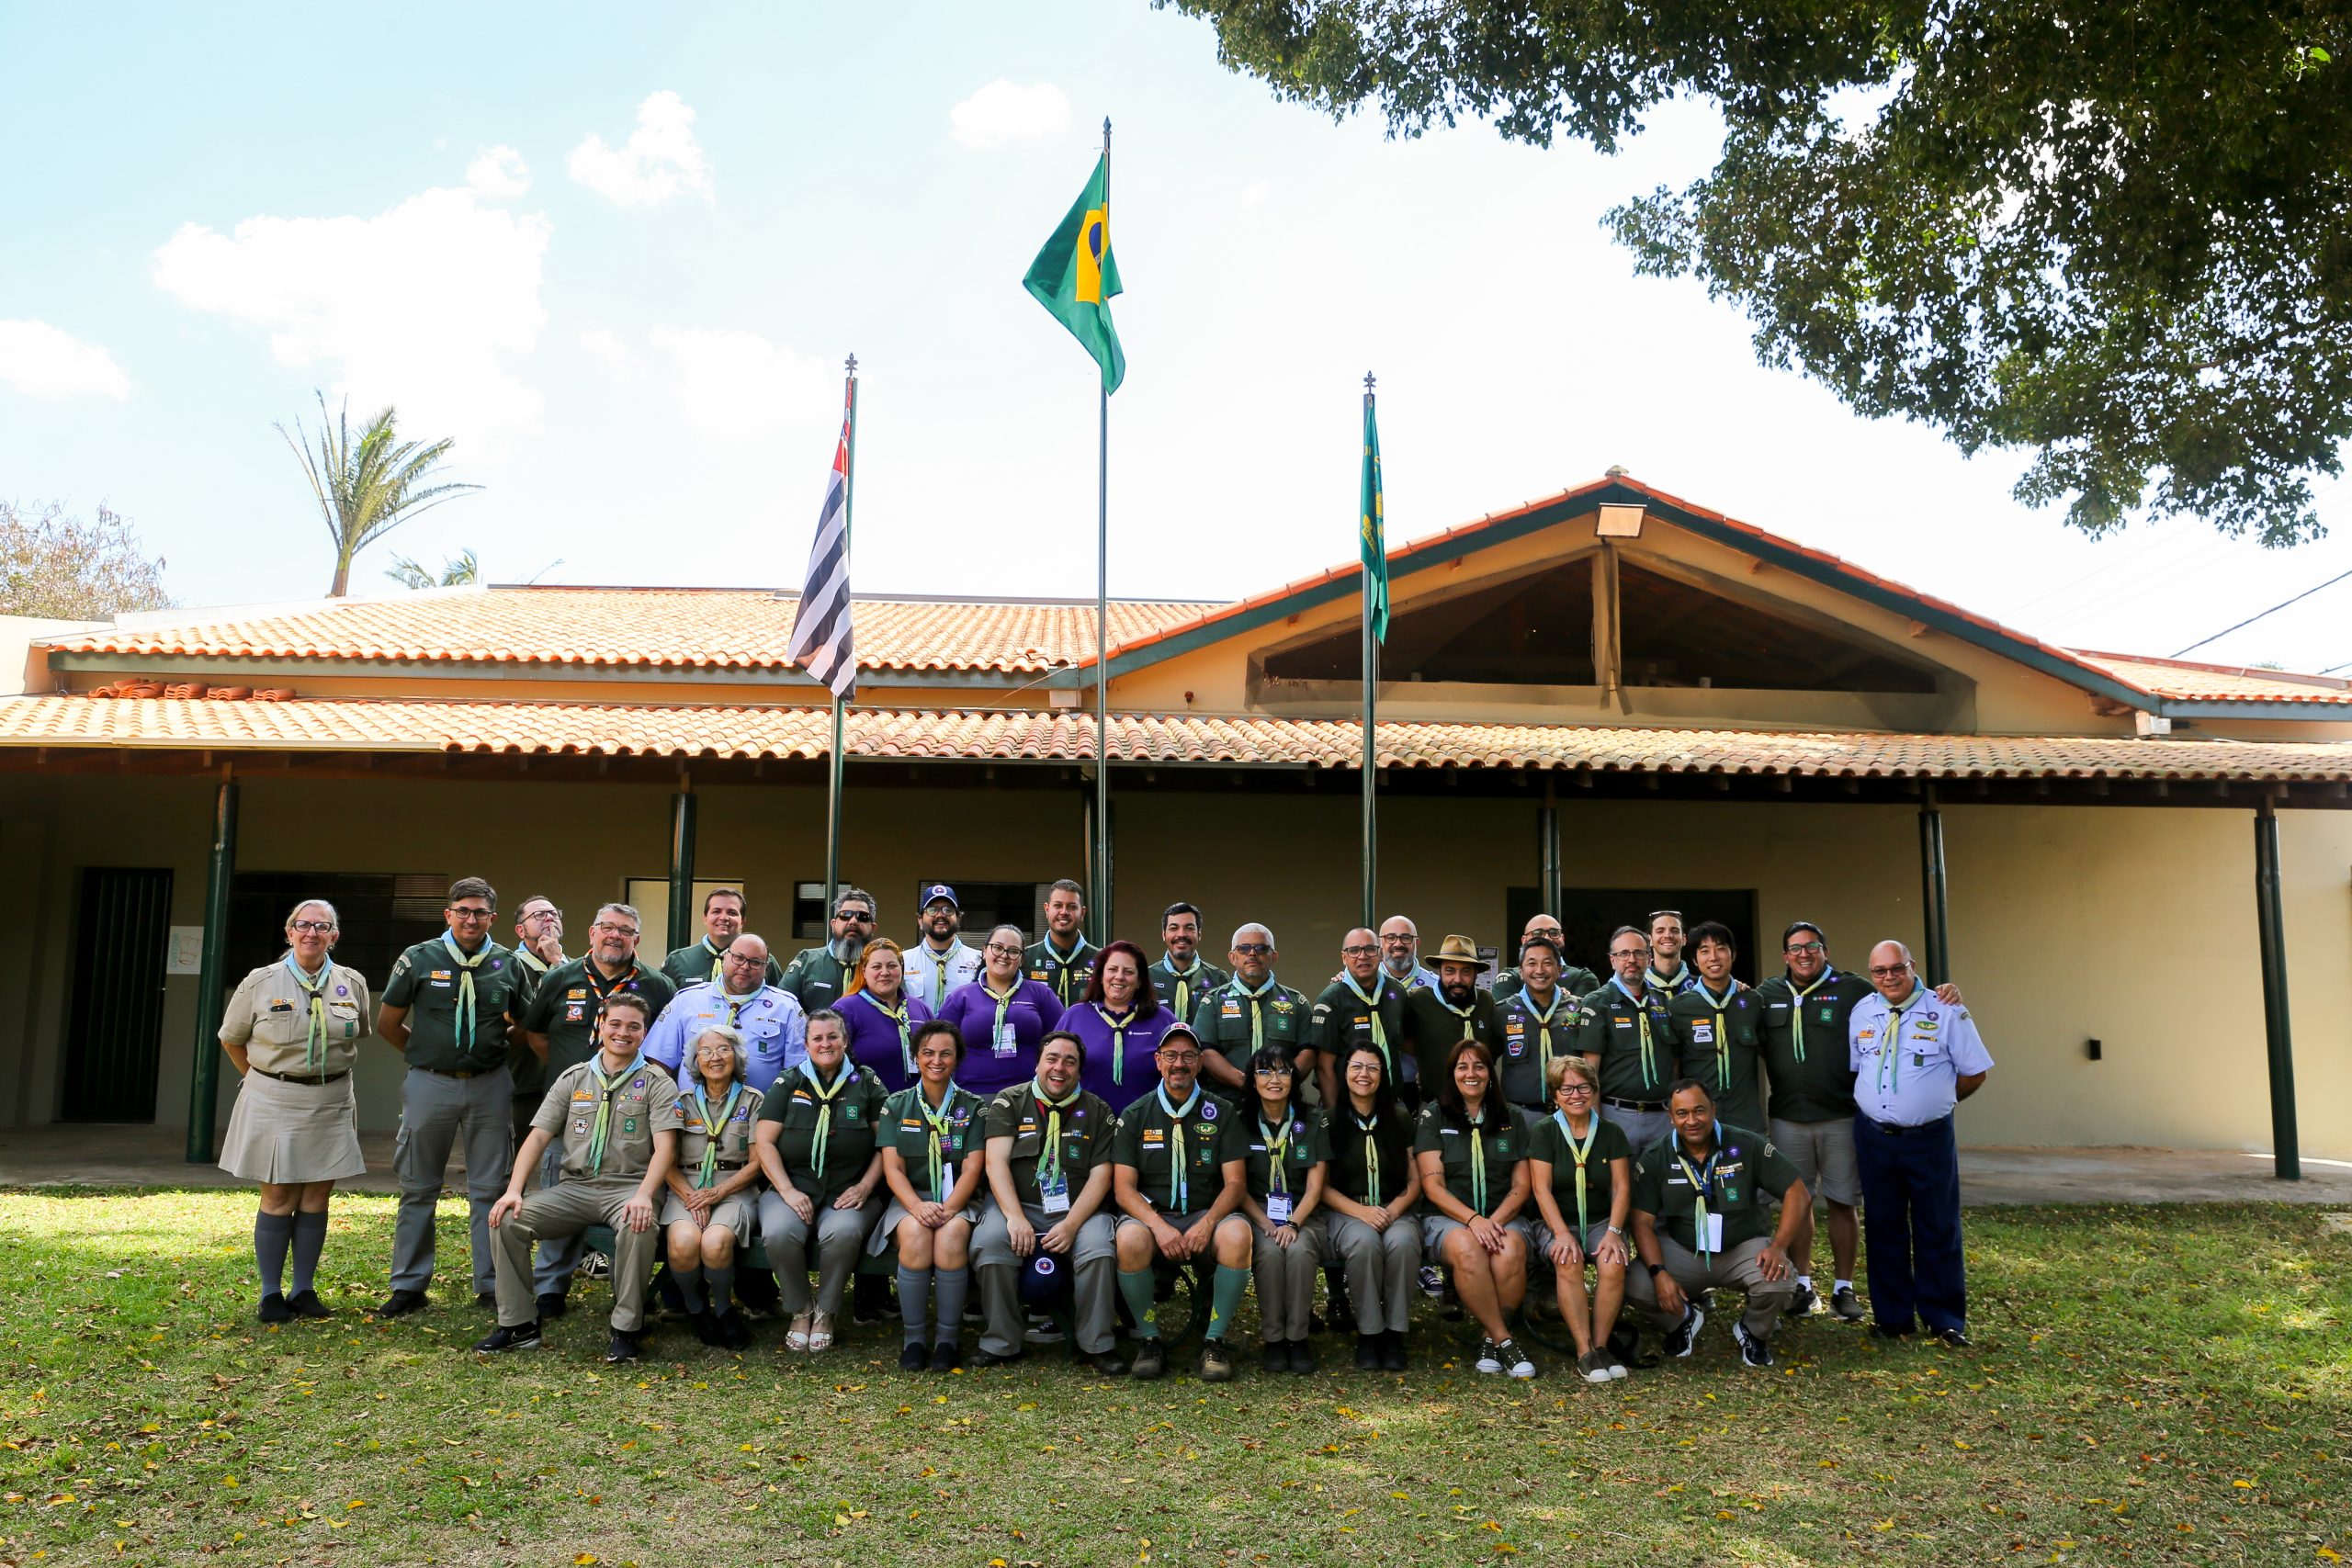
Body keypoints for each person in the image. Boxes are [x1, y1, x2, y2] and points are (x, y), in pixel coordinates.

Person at [1757, 922, 1966, 1323]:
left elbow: (1901, 998)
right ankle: (1803, 1285)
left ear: (1825, 950)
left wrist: (1945, 992)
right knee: (1796, 1203)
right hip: (1787, 1117)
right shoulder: (1767, 995)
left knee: (1843, 1201)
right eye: (1795, 948)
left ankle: (1843, 1287)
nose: (1804, 954)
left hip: (1840, 1116)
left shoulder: (1856, 989)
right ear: (1784, 955)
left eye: (1813, 946)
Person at [475, 991, 680, 1361]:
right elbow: (538, 1136)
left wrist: (645, 1196)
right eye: (615, 1024)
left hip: (629, 1187)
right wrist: (514, 1190)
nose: (623, 1032)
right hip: (577, 1187)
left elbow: (666, 1148)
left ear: (644, 1033)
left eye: (633, 1027)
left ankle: (626, 1327)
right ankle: (519, 1324)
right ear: (601, 1025)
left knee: (638, 1225)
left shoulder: (657, 1082)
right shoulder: (575, 1077)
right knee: (506, 1220)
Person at [215, 898, 371, 1324]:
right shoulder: (260, 982)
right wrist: (259, 1080)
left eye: (322, 927)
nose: (311, 933)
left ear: (334, 936)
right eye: (302, 925)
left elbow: (356, 1036)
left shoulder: (351, 982)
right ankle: (270, 1293)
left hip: (331, 1099)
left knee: (318, 1195)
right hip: (274, 1097)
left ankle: (304, 1289)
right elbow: (231, 1039)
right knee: (279, 1193)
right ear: (289, 933)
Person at [518, 903, 677, 1318]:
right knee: (561, 1190)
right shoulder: (560, 978)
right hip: (574, 1108)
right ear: (591, 932)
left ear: (636, 940)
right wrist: (577, 1075)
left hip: (632, 1112)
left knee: (628, 1209)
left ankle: (630, 1298)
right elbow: (536, 1034)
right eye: (607, 927)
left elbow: (668, 1045)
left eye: (624, 930)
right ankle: (551, 1288)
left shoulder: (657, 985)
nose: (614, 935)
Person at [376, 877, 523, 1317]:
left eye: (480, 912)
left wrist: (489, 1051)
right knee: (418, 1186)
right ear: (448, 915)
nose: (471, 919)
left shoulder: (506, 963)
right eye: (463, 911)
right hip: (430, 1084)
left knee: (491, 1188)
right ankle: (408, 1284)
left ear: (493, 918)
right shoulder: (419, 958)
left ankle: (492, 1284)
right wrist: (427, 1057)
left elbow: (523, 1023)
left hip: (489, 1085)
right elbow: (387, 1023)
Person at [1849, 940, 1993, 1348]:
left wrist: (1937, 1103)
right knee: (1883, 1225)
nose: (1889, 977)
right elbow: (1859, 1067)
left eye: (1897, 968)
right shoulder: (1863, 1011)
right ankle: (1893, 1319)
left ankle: (1944, 1318)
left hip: (1928, 1138)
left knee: (1937, 1225)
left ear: (1911, 966)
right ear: (1871, 974)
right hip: (1875, 1137)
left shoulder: (1945, 1010)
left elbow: (1975, 1072)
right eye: (1880, 971)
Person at [1624, 1079, 1809, 1370]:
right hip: (1684, 1250)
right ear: (1671, 1117)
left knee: (1779, 1280)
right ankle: (1681, 1320)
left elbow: (1797, 1192)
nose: (1692, 1120)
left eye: (1699, 1111)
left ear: (1713, 1109)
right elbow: (1642, 1222)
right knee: (1634, 1283)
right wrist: (1659, 1273)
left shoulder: (1746, 1144)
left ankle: (1754, 1331)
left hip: (1742, 1248)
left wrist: (1778, 1246)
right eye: (1682, 1113)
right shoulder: (1657, 1156)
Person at [971, 1032, 1125, 1372]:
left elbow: (1101, 1175)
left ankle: (1095, 1343)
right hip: (1018, 1205)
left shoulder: (1098, 1110)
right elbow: (995, 1163)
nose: (1060, 1068)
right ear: (1038, 1063)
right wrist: (1013, 1217)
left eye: (1070, 1061)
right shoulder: (1009, 1102)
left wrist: (1071, 1225)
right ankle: (1002, 1340)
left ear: (1080, 1070)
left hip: (1078, 1211)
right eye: (1052, 1059)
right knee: (990, 1242)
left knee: (1099, 1248)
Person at [1110, 1024, 1252, 1382]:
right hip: (1152, 1215)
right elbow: (1123, 1189)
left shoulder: (1222, 1112)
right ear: (1158, 1061)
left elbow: (1236, 1184)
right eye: (1171, 1055)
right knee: (1129, 1239)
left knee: (1237, 1235)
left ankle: (1214, 1341)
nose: (1179, 1063)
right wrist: (1159, 1226)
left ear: (1201, 1063)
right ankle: (1149, 1340)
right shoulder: (1136, 1113)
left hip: (1205, 1213)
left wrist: (1207, 1224)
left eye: (1188, 1056)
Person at [752, 1009, 888, 1353]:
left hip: (849, 1190)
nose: (825, 1044)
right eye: (817, 1038)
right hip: (792, 1187)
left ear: (845, 1040)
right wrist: (786, 1190)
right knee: (779, 1233)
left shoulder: (867, 1082)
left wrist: (866, 1187)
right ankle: (800, 1309)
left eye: (832, 1037)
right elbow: (764, 1141)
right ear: (806, 1043)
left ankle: (826, 1311)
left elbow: (887, 1145)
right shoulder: (788, 1082)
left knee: (841, 1232)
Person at [1414, 1039, 1537, 1379]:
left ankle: (1488, 1339)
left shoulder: (1512, 1117)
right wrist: (1473, 1220)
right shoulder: (1433, 1116)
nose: (1471, 1073)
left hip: (1503, 1216)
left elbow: (1521, 1185)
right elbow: (1432, 1186)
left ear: (1490, 1074)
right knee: (1468, 1248)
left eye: (1479, 1066)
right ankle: (1505, 1340)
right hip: (1449, 1218)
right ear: (1452, 1074)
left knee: (1509, 1248)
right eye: (1462, 1066)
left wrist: (1492, 1222)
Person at [875, 1019, 989, 1371]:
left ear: (957, 1059)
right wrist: (917, 1206)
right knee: (915, 1235)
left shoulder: (973, 1107)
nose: (936, 1061)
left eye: (946, 1054)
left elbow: (973, 1169)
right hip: (911, 1199)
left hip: (959, 1199)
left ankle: (947, 1340)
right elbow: (893, 1169)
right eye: (927, 1053)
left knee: (952, 1237)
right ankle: (913, 1339)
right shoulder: (896, 1105)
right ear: (916, 1058)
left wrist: (948, 1209)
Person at [1526, 1055, 1634, 1382]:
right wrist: (1560, 1233)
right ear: (1555, 1095)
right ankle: (1583, 1351)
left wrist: (1615, 1232)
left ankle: (1601, 1346)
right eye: (1567, 1088)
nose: (1576, 1094)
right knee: (1568, 1259)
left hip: (1602, 1220)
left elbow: (1621, 1187)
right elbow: (1541, 1190)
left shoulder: (1611, 1132)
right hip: (1556, 1221)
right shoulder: (1545, 1132)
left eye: (1583, 1086)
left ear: (1594, 1089)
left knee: (1613, 1261)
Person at [1317, 1042, 1422, 1371]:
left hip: (1395, 1207)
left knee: (1403, 1242)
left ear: (1383, 1075)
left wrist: (1392, 1211)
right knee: (1363, 1243)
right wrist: (1361, 1212)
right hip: (1347, 1210)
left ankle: (1394, 1333)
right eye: (1357, 1067)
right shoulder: (1329, 1120)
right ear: (1344, 1072)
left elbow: (1415, 1181)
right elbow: (1320, 1187)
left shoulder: (1400, 1117)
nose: (1364, 1074)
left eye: (1373, 1068)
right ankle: (1369, 1333)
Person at [659, 1023, 764, 1349]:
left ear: (737, 1057)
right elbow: (665, 1160)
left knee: (716, 1243)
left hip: (734, 1186)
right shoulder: (681, 1101)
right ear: (695, 1060)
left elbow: (758, 1163)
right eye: (705, 1051)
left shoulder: (754, 1100)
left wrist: (717, 1193)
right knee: (683, 1244)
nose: (715, 1057)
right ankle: (696, 1308)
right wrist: (693, 1197)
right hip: (686, 1187)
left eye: (723, 1049)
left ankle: (723, 1308)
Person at [1238, 1047, 1330, 1374]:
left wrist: (1291, 1223)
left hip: (1303, 1212)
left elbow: (1315, 1187)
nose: (1274, 1079)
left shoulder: (1313, 1120)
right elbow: (1238, 1188)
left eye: (1283, 1071)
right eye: (1264, 1072)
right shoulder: (1240, 1122)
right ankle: (1275, 1339)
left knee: (1301, 1250)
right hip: (1258, 1213)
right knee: (1269, 1253)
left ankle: (1298, 1338)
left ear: (1294, 1078)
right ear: (1252, 1080)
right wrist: (1266, 1224)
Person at [644, 935, 808, 1087]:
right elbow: (659, 1062)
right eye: (739, 958)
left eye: (755, 962)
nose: (745, 966)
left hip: (760, 1114)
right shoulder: (687, 1000)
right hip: (692, 1113)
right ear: (724, 958)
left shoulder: (786, 1007)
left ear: (766, 967)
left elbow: (799, 1070)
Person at [1575, 927, 1679, 1151]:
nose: (1632, 959)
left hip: (1662, 1116)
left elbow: (1674, 1063)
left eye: (1639, 953)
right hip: (1617, 1114)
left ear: (1649, 959)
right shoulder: (1598, 1002)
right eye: (1624, 954)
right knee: (1620, 1185)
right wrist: (1595, 1124)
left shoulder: (1663, 1002)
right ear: (1613, 961)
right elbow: (1589, 1069)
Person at [935, 926, 1067, 1099]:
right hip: (972, 1096)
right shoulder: (961, 996)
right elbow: (940, 1046)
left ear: (1021, 959)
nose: (1004, 955)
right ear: (984, 951)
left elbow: (1064, 1042)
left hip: (1029, 1096)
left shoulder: (1041, 994)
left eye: (1013, 951)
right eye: (997, 947)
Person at [1190, 923, 1315, 1102]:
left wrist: (1278, 1084)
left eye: (1261, 948)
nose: (1252, 953)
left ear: (1274, 956)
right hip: (1227, 1106)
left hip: (1281, 1105)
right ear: (1232, 957)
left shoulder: (1296, 1002)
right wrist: (1246, 1083)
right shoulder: (1213, 1002)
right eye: (1244, 948)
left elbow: (1308, 1053)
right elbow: (1205, 1051)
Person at [1667, 922, 1765, 1132]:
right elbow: (1674, 1065)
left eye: (1721, 948)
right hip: (1699, 1120)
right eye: (1704, 951)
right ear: (1694, 959)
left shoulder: (1752, 1001)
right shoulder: (1680, 1007)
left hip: (1745, 1118)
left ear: (1733, 954)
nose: (1713, 957)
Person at [1062, 940, 1177, 1107]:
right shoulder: (1075, 1016)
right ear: (1101, 976)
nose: (1119, 977)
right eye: (1112, 969)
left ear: (1139, 981)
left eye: (1129, 972)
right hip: (1087, 1122)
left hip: (1146, 1124)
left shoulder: (1163, 1019)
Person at [1309, 928, 1411, 1108]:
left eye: (1370, 949)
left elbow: (1404, 1042)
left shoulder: (1396, 991)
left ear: (1380, 954)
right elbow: (1324, 1067)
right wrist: (1336, 1115)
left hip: (1392, 1103)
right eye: (1354, 950)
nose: (1362, 956)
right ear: (1344, 957)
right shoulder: (1332, 999)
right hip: (1348, 1104)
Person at [1402, 934, 1500, 1096]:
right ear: (1439, 971)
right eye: (1450, 971)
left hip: (1481, 1102)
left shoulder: (1485, 1001)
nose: (1457, 979)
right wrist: (1426, 1057)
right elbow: (1398, 1036)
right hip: (1436, 1103)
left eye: (1466, 971)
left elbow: (1494, 1045)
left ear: (1476, 973)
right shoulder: (1419, 999)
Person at [505, 895, 566, 1150]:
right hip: (522, 1081)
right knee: (514, 1158)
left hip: (564, 1082)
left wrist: (558, 962)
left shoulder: (573, 967)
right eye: (539, 915)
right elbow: (514, 1026)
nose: (550, 918)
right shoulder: (507, 965)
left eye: (554, 913)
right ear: (521, 930)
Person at [1494, 932, 1580, 1111]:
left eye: (1547, 963)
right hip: (1520, 1114)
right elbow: (1486, 1062)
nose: (1539, 970)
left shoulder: (1578, 1009)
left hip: (1569, 1112)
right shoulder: (1502, 1012)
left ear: (1559, 970)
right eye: (1531, 963)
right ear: (1521, 971)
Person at [838, 937, 935, 1093]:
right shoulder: (846, 1010)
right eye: (876, 967)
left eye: (892, 966)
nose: (885, 972)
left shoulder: (920, 1008)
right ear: (863, 971)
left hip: (916, 1107)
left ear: (901, 968)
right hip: (867, 1107)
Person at [662, 887, 786, 990]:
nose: (724, 917)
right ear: (705, 918)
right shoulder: (677, 960)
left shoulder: (762, 961)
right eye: (716, 911)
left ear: (743, 921)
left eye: (732, 913)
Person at [779, 887, 877, 1013]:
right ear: (833, 924)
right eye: (845, 915)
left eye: (862, 917)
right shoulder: (806, 961)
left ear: (873, 928)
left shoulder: (882, 969)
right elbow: (783, 1006)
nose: (853, 921)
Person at [901, 885, 982, 1011]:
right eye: (932, 910)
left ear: (958, 919)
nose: (940, 915)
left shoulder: (979, 960)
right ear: (920, 921)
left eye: (948, 910)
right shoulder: (903, 961)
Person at [1146, 902, 1228, 1021]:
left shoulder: (1219, 980)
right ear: (1164, 935)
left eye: (1189, 928)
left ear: (1199, 934)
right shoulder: (1146, 978)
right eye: (1174, 928)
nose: (1181, 934)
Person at [1491, 914, 1599, 1004]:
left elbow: (1582, 1017)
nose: (1547, 938)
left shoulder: (1583, 977)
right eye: (1538, 933)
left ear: (1563, 938)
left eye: (1554, 933)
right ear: (1524, 940)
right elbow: (1508, 1015)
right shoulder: (1509, 977)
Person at [1024, 878, 1098, 1006]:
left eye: (1072, 907)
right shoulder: (1025, 958)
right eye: (1058, 905)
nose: (1064, 912)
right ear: (1047, 910)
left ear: (1082, 913)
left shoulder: (1102, 960)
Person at [1643, 909, 1699, 1002]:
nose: (1668, 935)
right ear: (1650, 940)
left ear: (1684, 939)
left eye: (1675, 931)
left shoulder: (1700, 986)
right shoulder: (1636, 987)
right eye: (1660, 931)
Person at [1377, 915, 1441, 993]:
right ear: (1379, 943)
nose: (1398, 944)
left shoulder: (1437, 986)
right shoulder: (1364, 984)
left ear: (1416, 943)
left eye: (1406, 938)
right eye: (1390, 938)